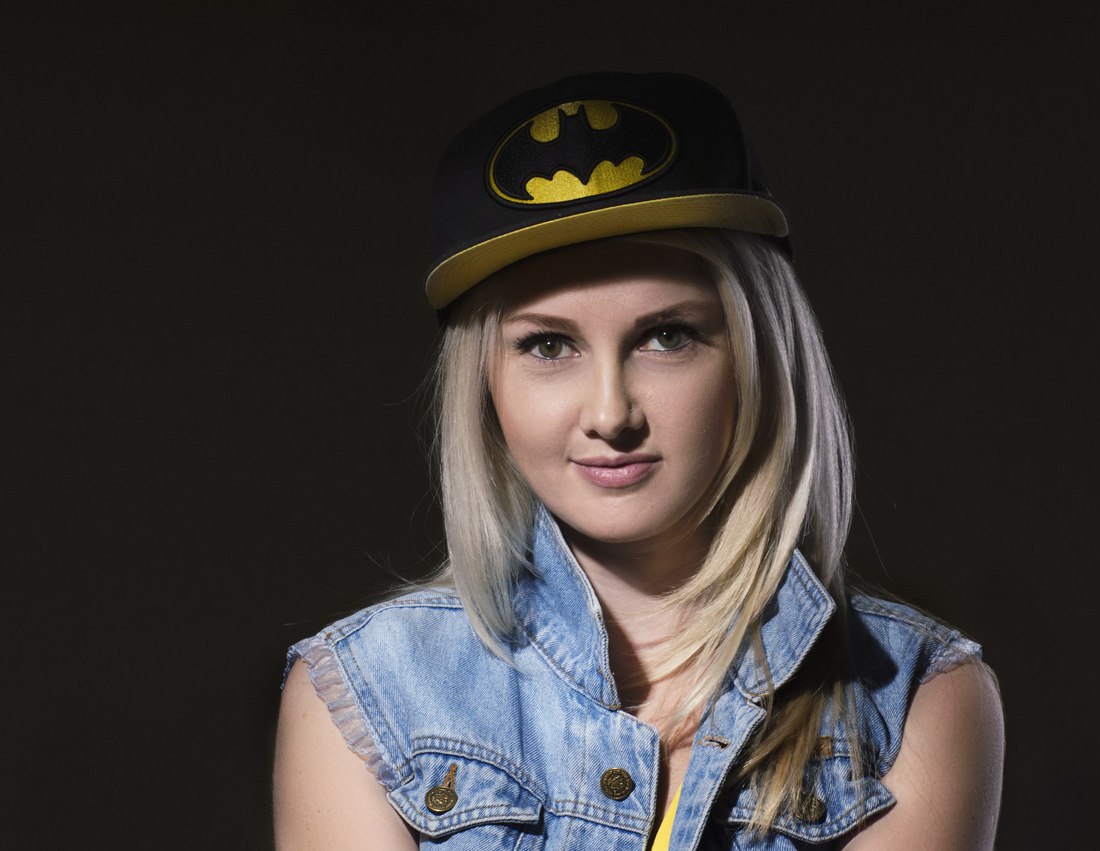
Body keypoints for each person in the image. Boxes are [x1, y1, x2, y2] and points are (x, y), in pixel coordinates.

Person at [273, 72, 1004, 850]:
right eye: (548, 345)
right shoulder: (369, 693)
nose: (610, 413)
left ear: (757, 354)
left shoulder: (916, 700)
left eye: (667, 336)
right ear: (484, 382)